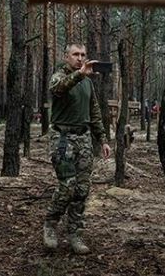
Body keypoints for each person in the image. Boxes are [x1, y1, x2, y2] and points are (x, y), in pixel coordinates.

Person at [43, 43, 111, 254]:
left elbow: (95, 112)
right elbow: (58, 89)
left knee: (82, 190)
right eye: (75, 54)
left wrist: (102, 139)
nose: (80, 58)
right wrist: (80, 74)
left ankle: (74, 233)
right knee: (67, 185)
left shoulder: (88, 83)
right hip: (62, 139)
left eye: (83, 54)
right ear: (66, 57)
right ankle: (50, 225)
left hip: (84, 139)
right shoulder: (59, 76)